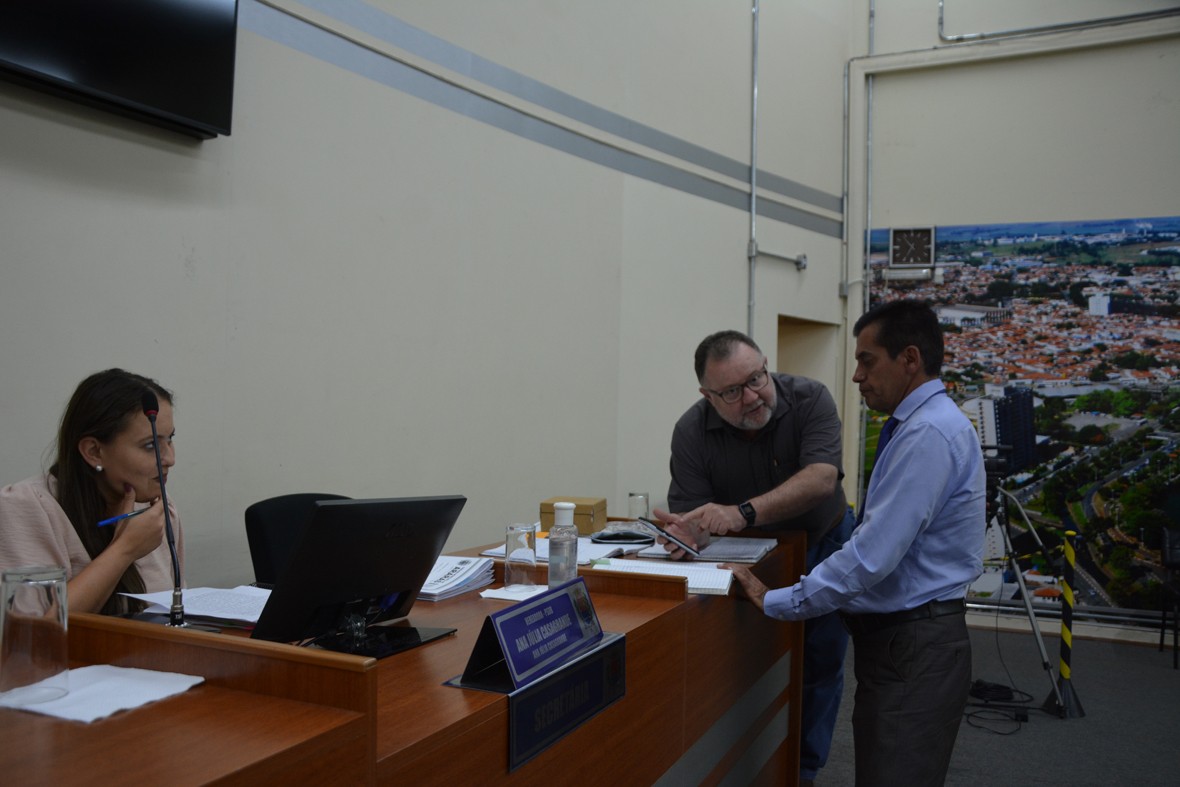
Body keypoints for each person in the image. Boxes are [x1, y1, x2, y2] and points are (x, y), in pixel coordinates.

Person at [725, 300, 985, 787]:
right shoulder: (923, 426)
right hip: (904, 643)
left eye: (868, 360)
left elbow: (869, 557)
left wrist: (779, 600)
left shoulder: (928, 434)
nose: (857, 376)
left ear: (910, 359)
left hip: (914, 645)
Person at [652, 329, 855, 787]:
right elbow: (695, 517)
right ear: (707, 396)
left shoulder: (810, 399)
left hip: (823, 541)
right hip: (749, 560)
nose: (751, 396)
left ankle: (804, 770)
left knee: (820, 661)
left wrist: (741, 513)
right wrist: (687, 534)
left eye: (756, 379)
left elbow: (821, 479)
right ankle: (752, 763)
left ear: (765, 365)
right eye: (731, 392)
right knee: (746, 663)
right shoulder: (691, 430)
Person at [0, 368, 182, 616]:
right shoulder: (25, 508)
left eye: (169, 440)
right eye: (150, 445)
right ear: (94, 452)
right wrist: (125, 549)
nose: (170, 459)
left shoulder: (157, 510)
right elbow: (37, 632)